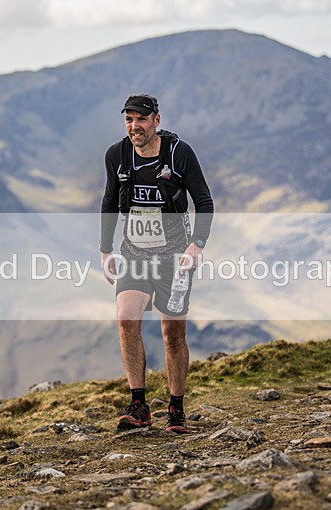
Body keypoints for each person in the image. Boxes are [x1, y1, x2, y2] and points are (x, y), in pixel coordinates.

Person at [99, 94, 214, 434]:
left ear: (156, 121)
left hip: (174, 257)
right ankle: (138, 405)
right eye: (129, 120)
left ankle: (176, 408)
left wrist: (197, 245)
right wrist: (105, 250)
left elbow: (204, 201)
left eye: (142, 120)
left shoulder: (179, 155)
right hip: (134, 253)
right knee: (126, 321)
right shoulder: (117, 156)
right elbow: (108, 200)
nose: (135, 126)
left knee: (172, 334)